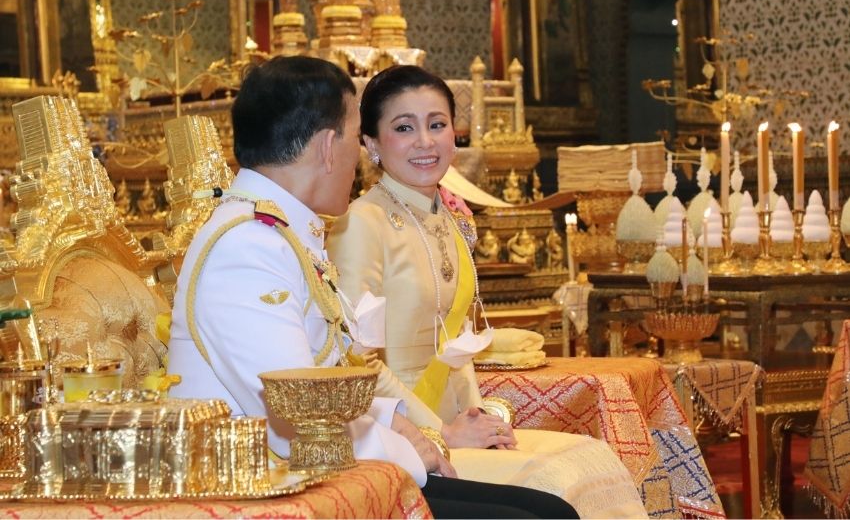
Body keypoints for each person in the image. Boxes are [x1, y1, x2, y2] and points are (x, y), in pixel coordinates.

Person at [167, 56, 578, 519]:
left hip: (318, 472)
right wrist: (415, 445)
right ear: (329, 146)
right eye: (354, 137)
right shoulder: (248, 245)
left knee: (548, 510)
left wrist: (398, 422)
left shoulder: (279, 233)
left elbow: (328, 380)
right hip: (270, 493)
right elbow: (300, 418)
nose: (359, 158)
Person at [327, 65, 649, 519]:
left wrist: (480, 420)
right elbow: (358, 362)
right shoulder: (361, 223)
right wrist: (440, 433)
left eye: (437, 124)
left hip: (458, 429)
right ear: (371, 143)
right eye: (404, 128)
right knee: (556, 489)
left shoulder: (450, 219)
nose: (425, 141)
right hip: (403, 441)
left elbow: (459, 342)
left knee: (594, 460)